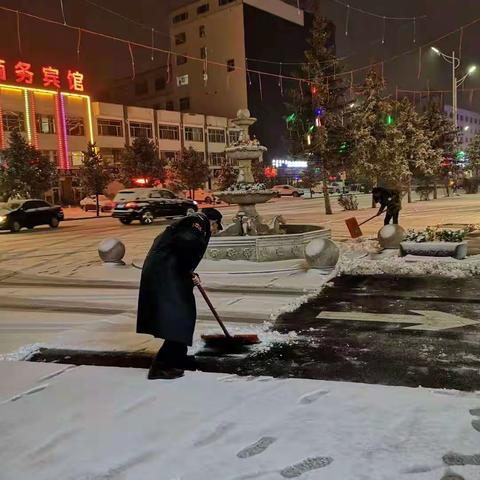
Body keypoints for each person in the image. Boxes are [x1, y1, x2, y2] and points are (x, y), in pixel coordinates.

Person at [137, 208, 223, 380]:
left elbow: (178, 246)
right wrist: (188, 269)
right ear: (212, 222)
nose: (214, 231)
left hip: (169, 274)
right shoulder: (197, 222)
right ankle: (161, 366)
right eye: (216, 227)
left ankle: (177, 358)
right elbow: (187, 242)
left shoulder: (191, 222)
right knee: (178, 318)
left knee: (182, 317)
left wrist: (189, 271)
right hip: (166, 275)